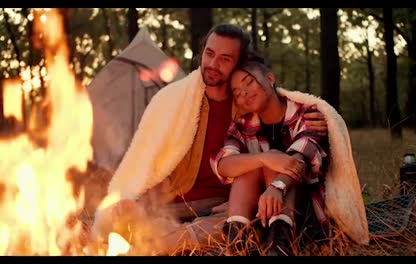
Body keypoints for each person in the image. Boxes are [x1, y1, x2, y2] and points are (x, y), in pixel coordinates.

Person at [92, 23, 328, 254]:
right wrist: (130, 196)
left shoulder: (248, 109)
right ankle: (158, 234)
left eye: (225, 59)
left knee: (234, 221)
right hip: (171, 202)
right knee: (122, 215)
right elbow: (143, 158)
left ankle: (157, 244)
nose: (213, 64)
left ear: (239, 64)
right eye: (210, 53)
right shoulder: (173, 98)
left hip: (221, 205)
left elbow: (279, 110)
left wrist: (318, 119)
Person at [210, 56, 328, 256]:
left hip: (301, 211)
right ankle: (237, 244)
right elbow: (223, 164)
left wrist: (277, 186)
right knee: (250, 166)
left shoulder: (305, 114)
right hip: (258, 213)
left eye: (248, 82)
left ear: (270, 79)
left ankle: (279, 245)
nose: (244, 93)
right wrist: (264, 158)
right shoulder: (241, 125)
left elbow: (302, 157)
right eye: (237, 93)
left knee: (274, 166)